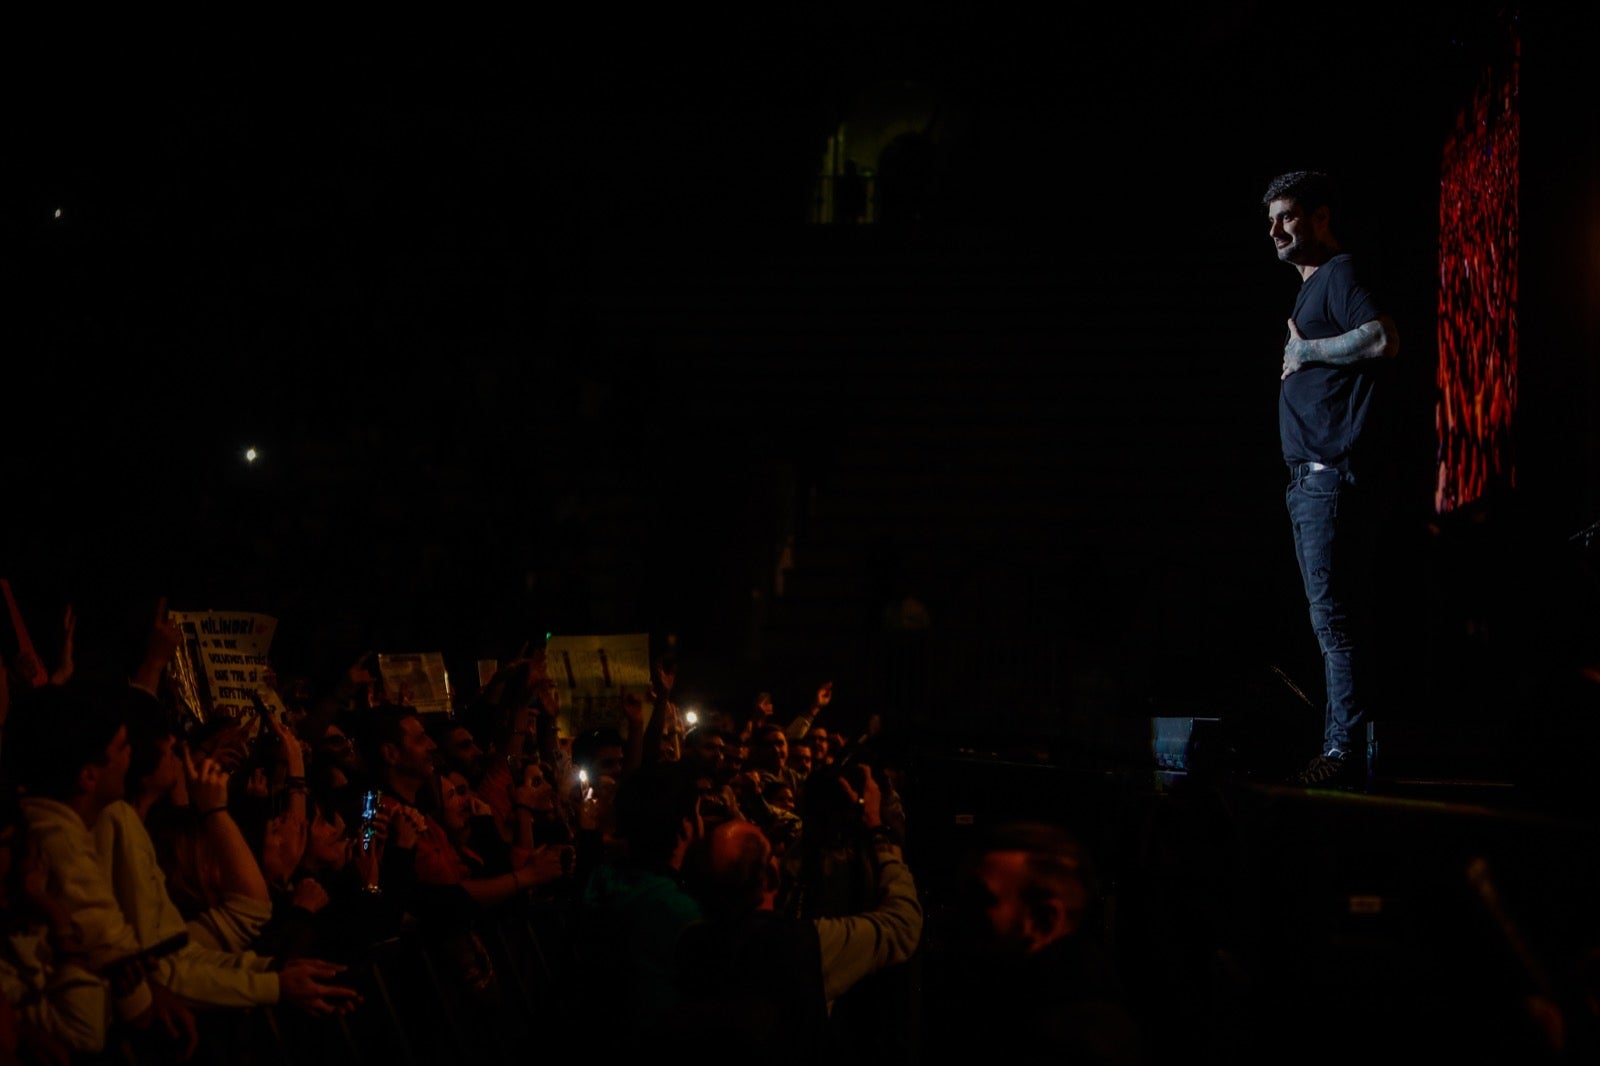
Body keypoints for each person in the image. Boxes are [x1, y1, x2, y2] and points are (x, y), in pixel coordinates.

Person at [1263, 169, 1400, 790]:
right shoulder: (1314, 286)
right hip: (1313, 482)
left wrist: (1307, 353)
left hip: (1328, 478)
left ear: (1321, 218)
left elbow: (1382, 338)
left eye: (1288, 216)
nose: (1276, 231)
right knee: (1336, 619)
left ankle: (1342, 751)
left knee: (1334, 621)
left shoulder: (1339, 274)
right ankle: (1351, 746)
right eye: (1271, 221)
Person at [930, 820, 1144, 1065]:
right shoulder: (1006, 1001)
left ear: (1043, 921)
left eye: (981, 898)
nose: (958, 913)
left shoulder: (1072, 1043)